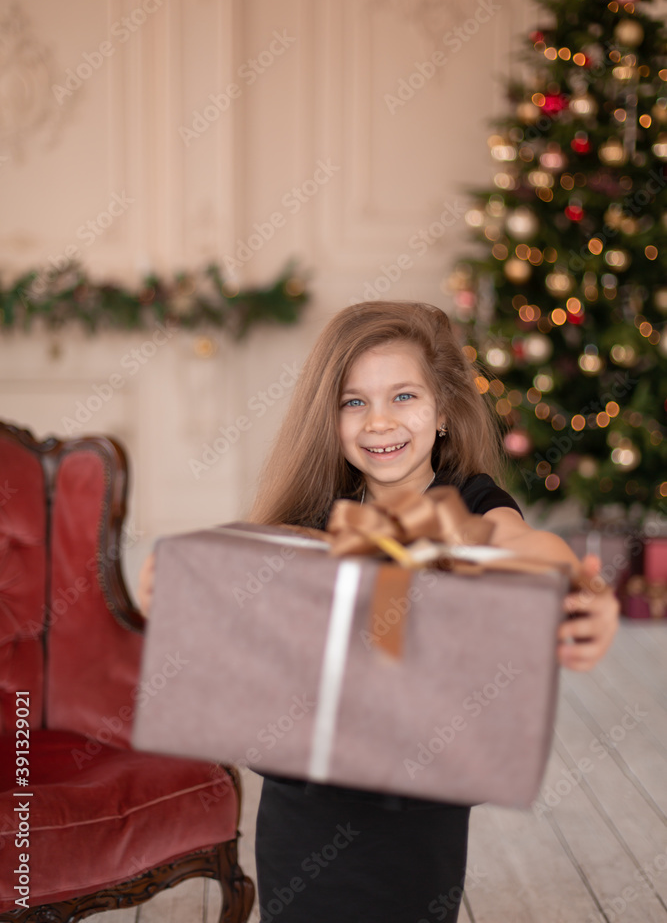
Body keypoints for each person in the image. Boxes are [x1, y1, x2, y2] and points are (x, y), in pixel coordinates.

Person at [137, 300, 619, 923]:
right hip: (303, 818)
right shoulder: (312, 519)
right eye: (354, 402)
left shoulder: (471, 504)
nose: (380, 421)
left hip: (415, 823)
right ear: (330, 419)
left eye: (404, 397)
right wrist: (177, 586)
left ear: (442, 411)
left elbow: (525, 546)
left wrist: (578, 589)